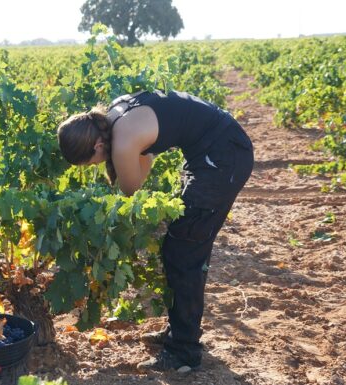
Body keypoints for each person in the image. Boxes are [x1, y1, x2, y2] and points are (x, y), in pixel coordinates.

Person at [57, 90, 254, 373]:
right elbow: (146, 157)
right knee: (180, 246)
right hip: (214, 151)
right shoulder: (115, 114)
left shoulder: (122, 143)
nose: (95, 166)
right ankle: (179, 334)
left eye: (91, 162)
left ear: (98, 145)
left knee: (184, 251)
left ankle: (183, 353)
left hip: (223, 159)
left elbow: (132, 190)